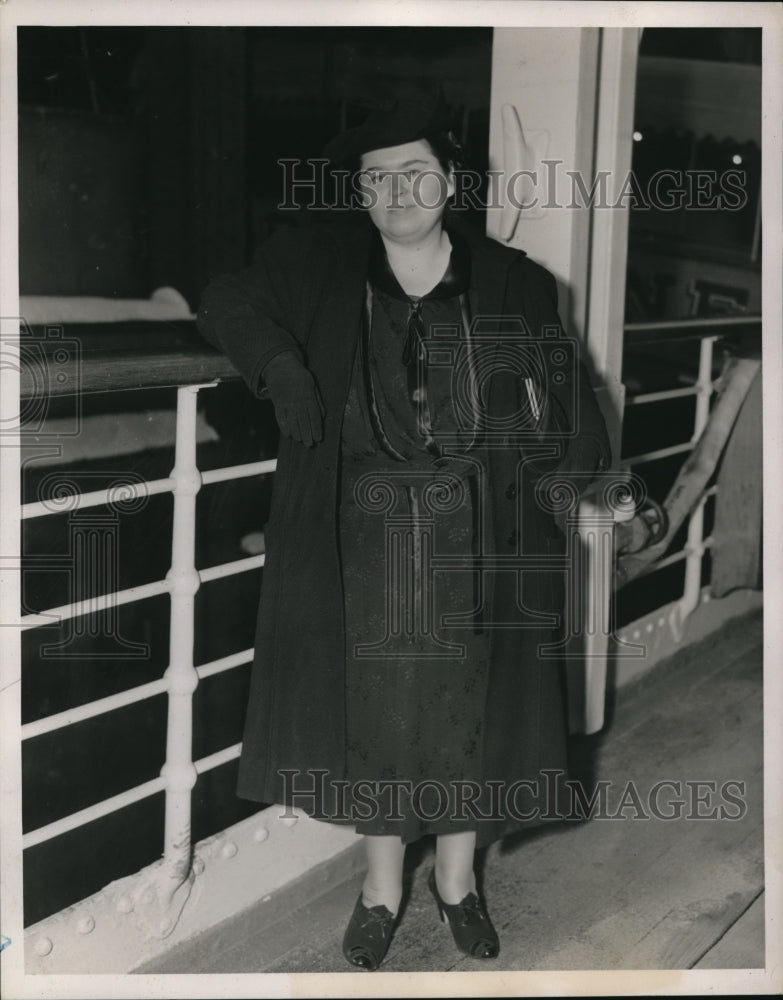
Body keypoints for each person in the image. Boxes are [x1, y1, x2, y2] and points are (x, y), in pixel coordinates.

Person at [197, 92, 611, 971]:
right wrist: (276, 364)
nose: (398, 191)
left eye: (415, 172)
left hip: (478, 533)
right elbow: (225, 297)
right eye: (378, 178)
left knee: (471, 717)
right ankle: (380, 891)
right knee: (377, 722)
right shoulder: (317, 267)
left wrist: (580, 492)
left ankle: (457, 884)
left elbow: (564, 399)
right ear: (357, 194)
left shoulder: (513, 282)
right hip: (364, 537)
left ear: (448, 180)